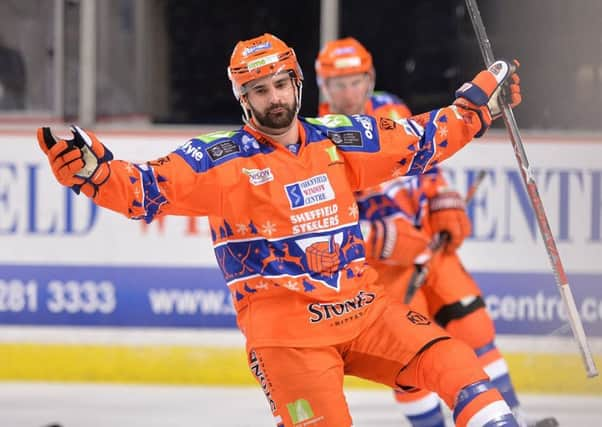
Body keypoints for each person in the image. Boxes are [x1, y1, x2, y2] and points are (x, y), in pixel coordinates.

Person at [37, 33, 523, 427]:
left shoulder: (336, 138)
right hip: (287, 340)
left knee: (458, 365)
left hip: (365, 312)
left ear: (297, 83)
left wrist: (476, 110)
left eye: (280, 84)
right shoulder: (216, 160)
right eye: (259, 90)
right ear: (243, 98)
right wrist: (93, 172)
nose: (274, 98)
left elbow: (417, 140)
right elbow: (140, 189)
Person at [315, 37, 557, 427]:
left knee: (474, 327)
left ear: (370, 78)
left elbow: (423, 160)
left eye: (356, 80)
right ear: (323, 86)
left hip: (432, 246)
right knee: (409, 361)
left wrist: (444, 201)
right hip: (384, 271)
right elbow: (322, 220)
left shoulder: (391, 108)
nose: (348, 92)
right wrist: (384, 240)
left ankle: (517, 418)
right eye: (337, 84)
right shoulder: (319, 138)